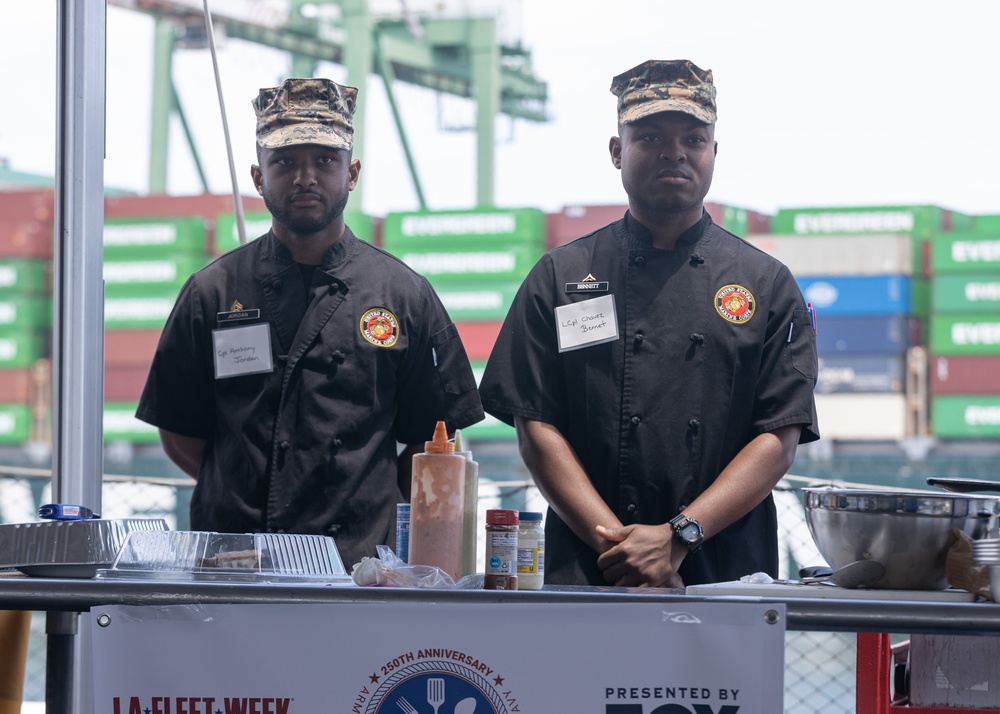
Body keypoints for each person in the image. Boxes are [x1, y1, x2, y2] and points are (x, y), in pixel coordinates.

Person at [478, 59, 819, 588]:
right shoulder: (561, 276)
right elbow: (535, 426)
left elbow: (779, 435)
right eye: (651, 136)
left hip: (722, 575)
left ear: (714, 153)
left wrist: (677, 538)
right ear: (617, 151)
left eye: (694, 138)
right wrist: (621, 550)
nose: (675, 152)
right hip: (589, 571)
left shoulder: (766, 283)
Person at [136, 78, 484, 569]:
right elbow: (178, 431)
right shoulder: (211, 292)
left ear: (352, 172)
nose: (305, 177)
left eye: (324, 160)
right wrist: (241, 487)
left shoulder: (403, 295)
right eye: (285, 162)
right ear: (258, 177)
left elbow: (436, 443)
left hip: (361, 569)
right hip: (233, 563)